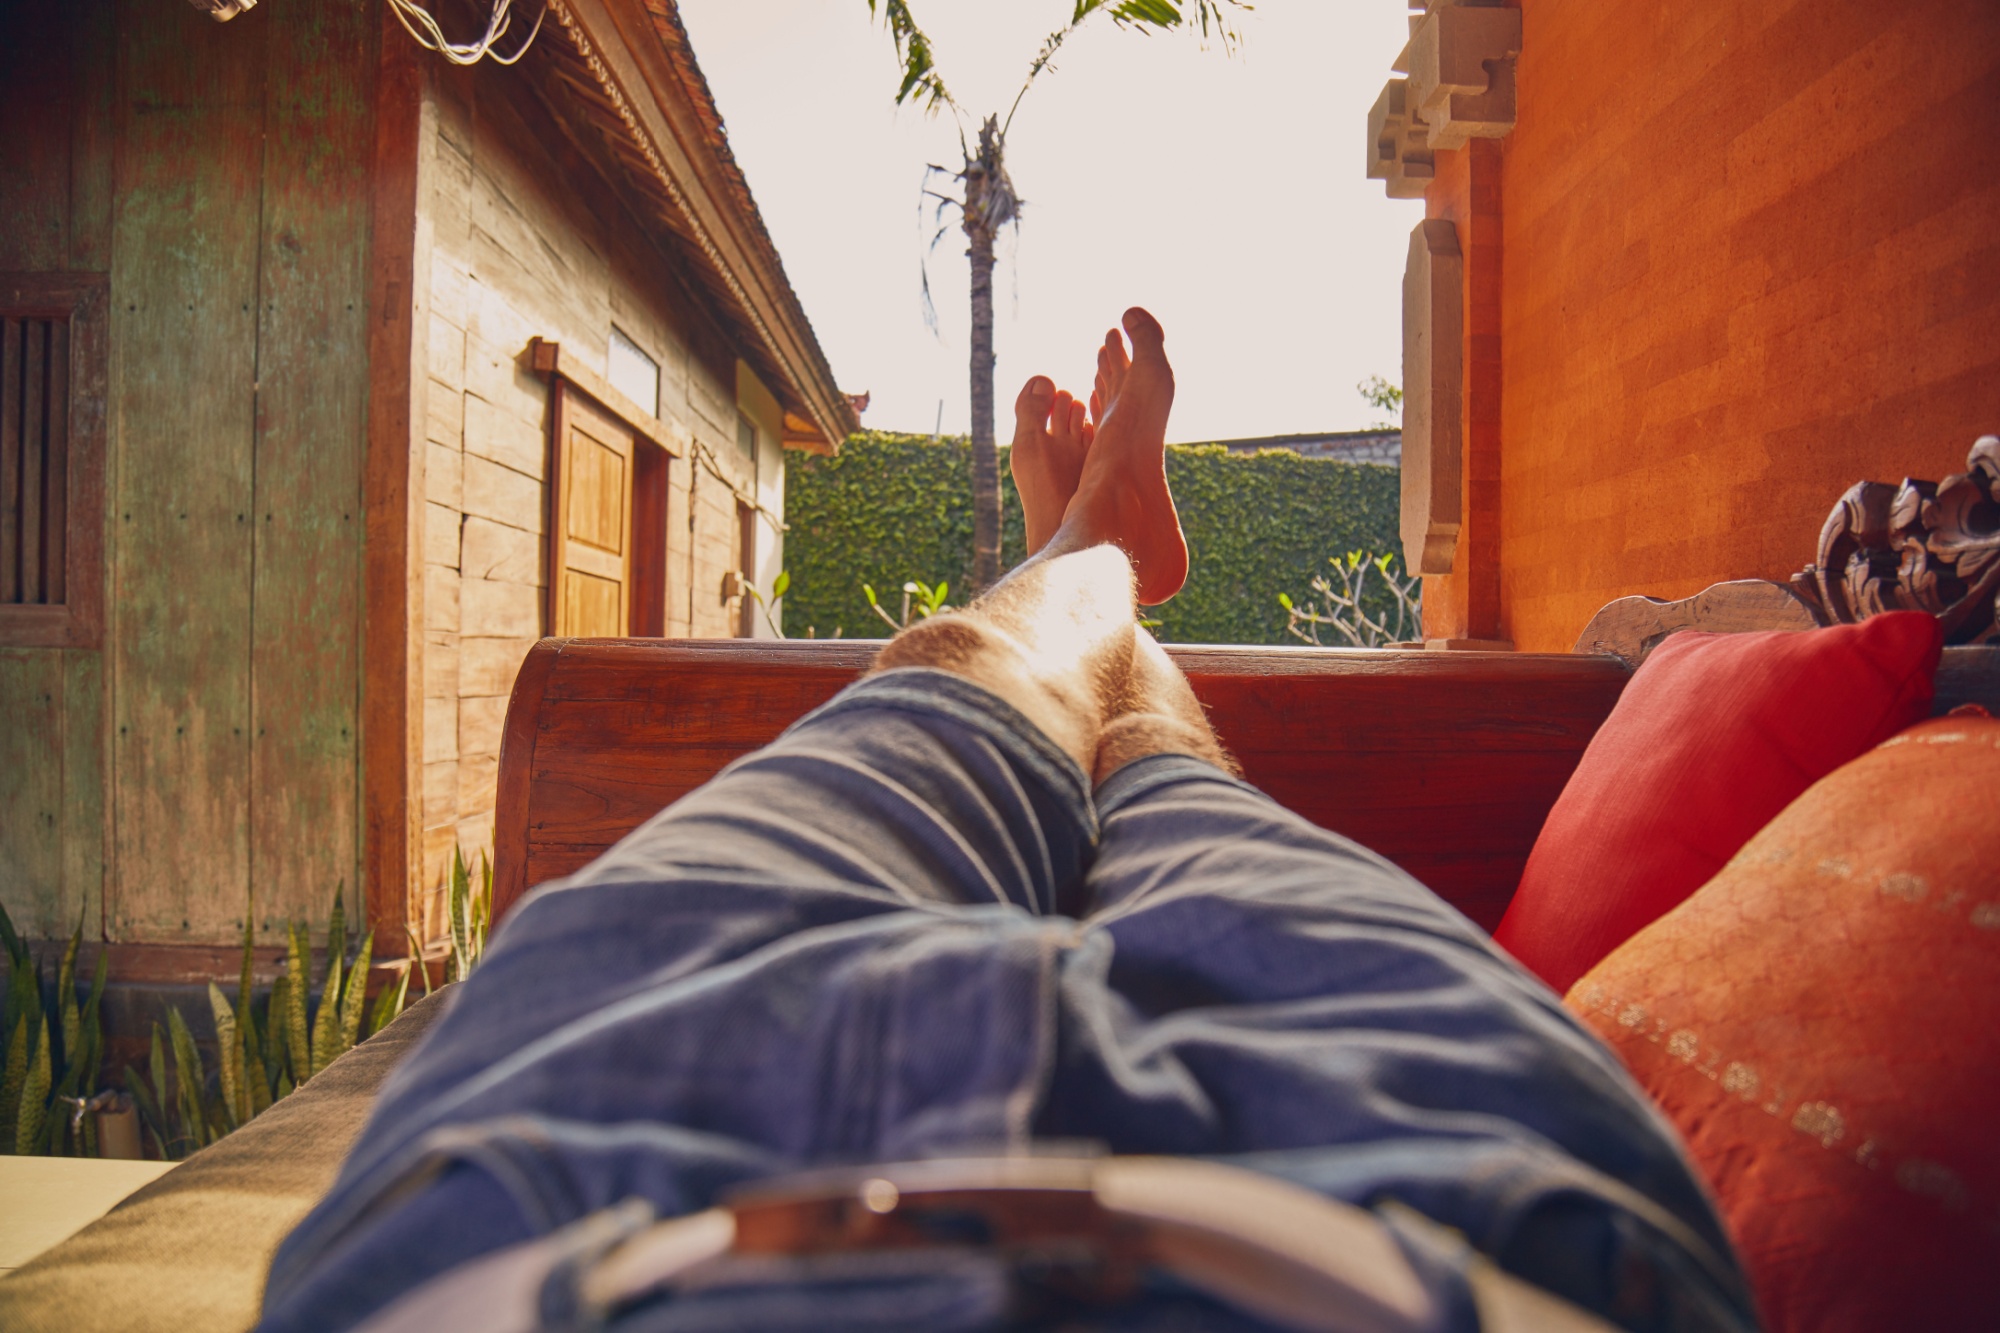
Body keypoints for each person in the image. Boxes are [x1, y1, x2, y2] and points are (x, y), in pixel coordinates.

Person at [258, 311, 1758, 1333]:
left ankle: (1083, 549)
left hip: (539, 1196)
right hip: (1491, 1221)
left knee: (962, 693)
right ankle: (1101, 554)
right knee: (1169, 786)